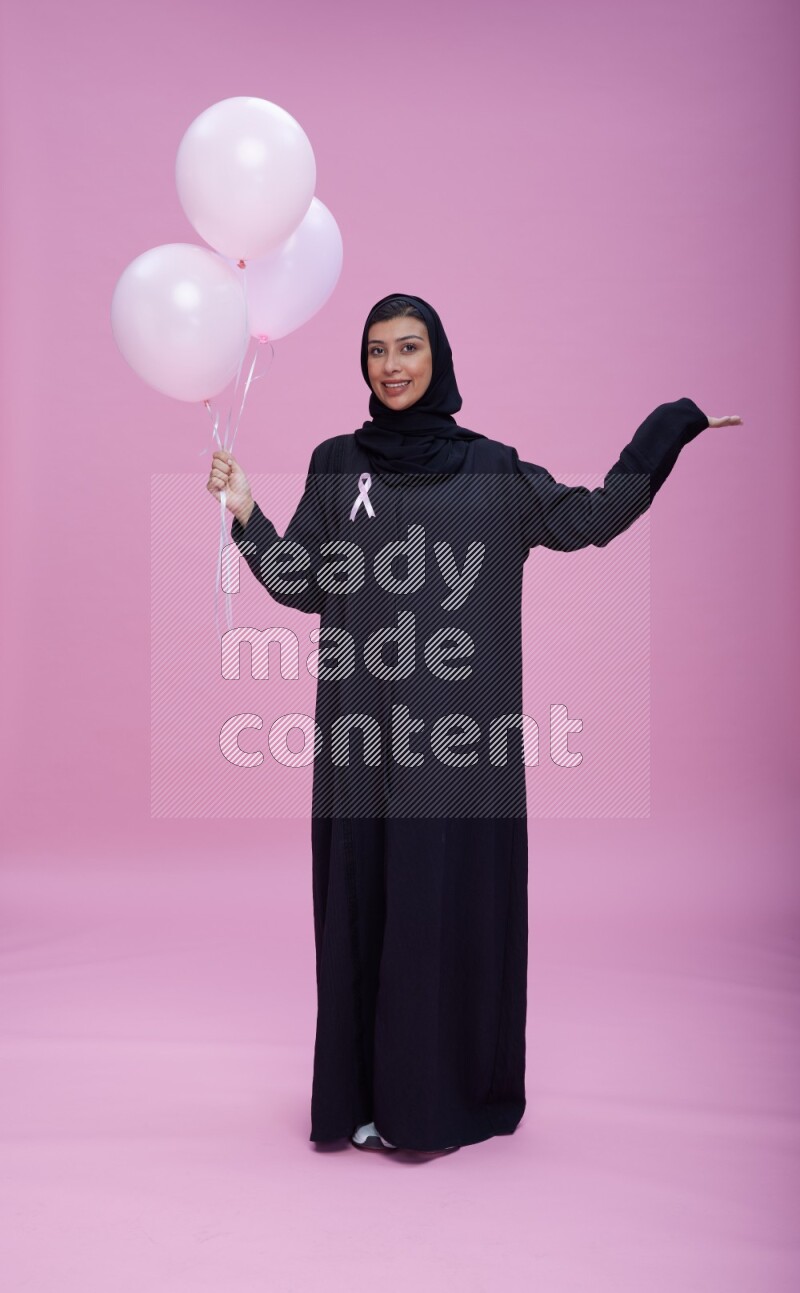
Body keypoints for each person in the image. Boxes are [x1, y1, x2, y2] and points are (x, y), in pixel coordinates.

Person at [207, 293, 742, 1157]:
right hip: (361, 744)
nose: (392, 365)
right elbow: (304, 580)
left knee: (436, 915)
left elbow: (591, 516)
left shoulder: (492, 472)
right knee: (365, 910)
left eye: (408, 347)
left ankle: (429, 1105)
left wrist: (670, 428)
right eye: (377, 350)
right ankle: (360, 1099)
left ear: (439, 357)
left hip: (458, 752)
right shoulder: (337, 463)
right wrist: (245, 512)